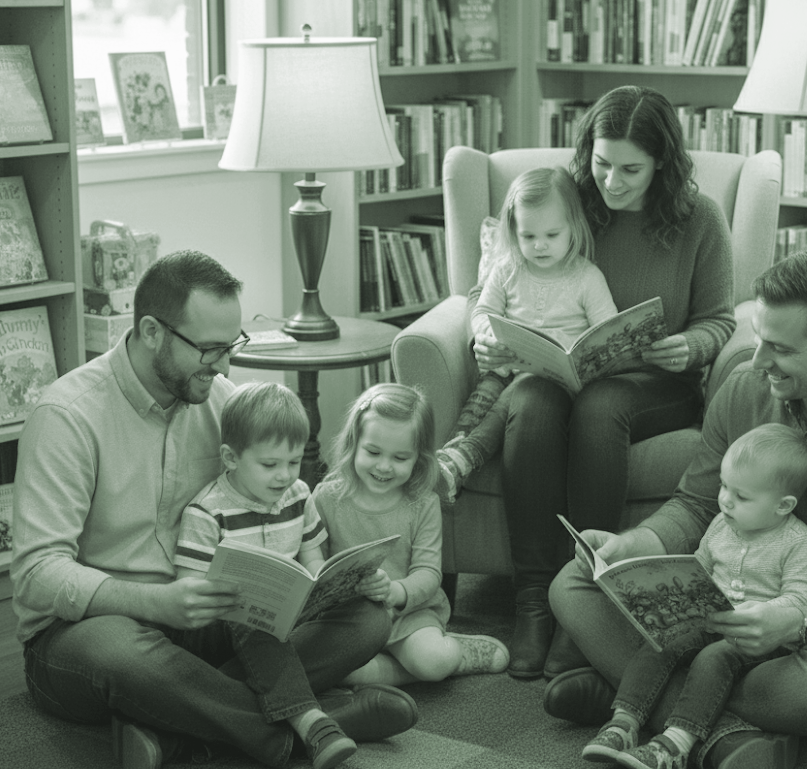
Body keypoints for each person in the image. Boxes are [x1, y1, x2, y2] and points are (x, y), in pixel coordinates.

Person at [546, 249, 807, 769]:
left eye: (780, 348)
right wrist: (633, 546)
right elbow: (696, 505)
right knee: (574, 583)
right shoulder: (744, 387)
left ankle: (634, 699)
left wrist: (797, 622)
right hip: (723, 617)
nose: (759, 359)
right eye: (758, 337)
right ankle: (718, 738)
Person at [11, 250, 417, 769]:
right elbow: (36, 575)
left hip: (206, 625)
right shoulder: (66, 417)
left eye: (232, 345)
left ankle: (184, 735)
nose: (225, 365)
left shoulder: (222, 401)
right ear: (152, 331)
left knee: (365, 617)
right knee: (119, 649)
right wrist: (157, 604)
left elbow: (280, 488)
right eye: (209, 349)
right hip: (90, 636)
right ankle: (301, 727)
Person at [470, 85, 736, 678]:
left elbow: (721, 318)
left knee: (601, 406)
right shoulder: (571, 202)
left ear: (662, 161)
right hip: (557, 372)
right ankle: (535, 602)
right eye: (601, 162)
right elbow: (499, 276)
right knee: (532, 401)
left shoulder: (700, 220)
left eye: (630, 169)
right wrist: (484, 336)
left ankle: (587, 595)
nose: (612, 182)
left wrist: (689, 346)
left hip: (653, 383)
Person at [581, 423, 807, 769]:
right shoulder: (721, 525)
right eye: (724, 486)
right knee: (663, 639)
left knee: (713, 658)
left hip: (759, 637)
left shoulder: (798, 544)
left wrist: (766, 611)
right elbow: (697, 566)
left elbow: (799, 601)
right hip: (711, 619)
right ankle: (623, 723)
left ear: (783, 506)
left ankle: (676, 744)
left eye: (741, 496)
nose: (725, 499)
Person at [173, 382, 356, 769]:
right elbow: (187, 594)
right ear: (230, 457)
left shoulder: (299, 495)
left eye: (292, 462)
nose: (284, 476)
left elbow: (312, 560)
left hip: (282, 628)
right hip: (220, 631)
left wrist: (329, 586)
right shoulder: (206, 513)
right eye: (270, 465)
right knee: (254, 615)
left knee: (371, 617)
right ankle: (316, 723)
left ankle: (218, 713)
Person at [434, 165, 618, 502]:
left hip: (553, 382)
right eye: (528, 236)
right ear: (514, 230)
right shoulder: (507, 268)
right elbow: (483, 311)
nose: (540, 246)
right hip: (505, 366)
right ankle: (450, 456)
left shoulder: (587, 277)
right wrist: (488, 337)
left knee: (516, 395)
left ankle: (465, 457)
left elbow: (608, 330)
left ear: (574, 227)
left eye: (552, 235)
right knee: (480, 400)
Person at [312, 382, 510, 687]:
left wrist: (395, 592)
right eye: (373, 452)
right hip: (350, 620)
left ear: (419, 457)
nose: (384, 466)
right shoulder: (326, 497)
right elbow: (316, 563)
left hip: (409, 615)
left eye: (400, 458)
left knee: (434, 661)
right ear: (354, 444)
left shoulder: (423, 503)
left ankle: (448, 656)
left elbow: (429, 572)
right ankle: (409, 668)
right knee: (329, 667)